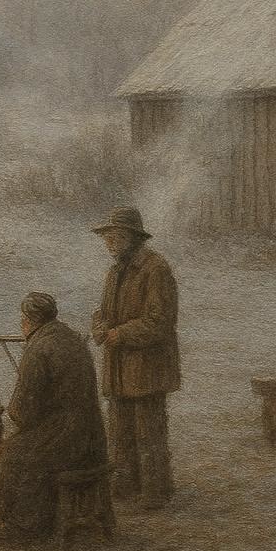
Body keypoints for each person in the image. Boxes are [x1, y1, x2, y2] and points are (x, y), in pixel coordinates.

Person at [0, 292, 109, 542]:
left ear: (28, 319)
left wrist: (13, 416)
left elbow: (23, 412)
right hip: (91, 436)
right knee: (23, 447)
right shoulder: (72, 338)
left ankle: (25, 527)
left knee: (11, 456)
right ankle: (42, 519)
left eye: (23, 318)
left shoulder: (38, 348)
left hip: (66, 437)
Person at [89, 207, 180, 510]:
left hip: (147, 370)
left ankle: (155, 492)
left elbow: (159, 322)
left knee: (148, 433)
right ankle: (124, 488)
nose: (109, 243)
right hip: (119, 369)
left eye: (115, 237)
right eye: (107, 237)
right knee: (120, 432)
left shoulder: (156, 269)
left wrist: (120, 334)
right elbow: (103, 312)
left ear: (132, 237)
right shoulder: (115, 271)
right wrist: (99, 326)